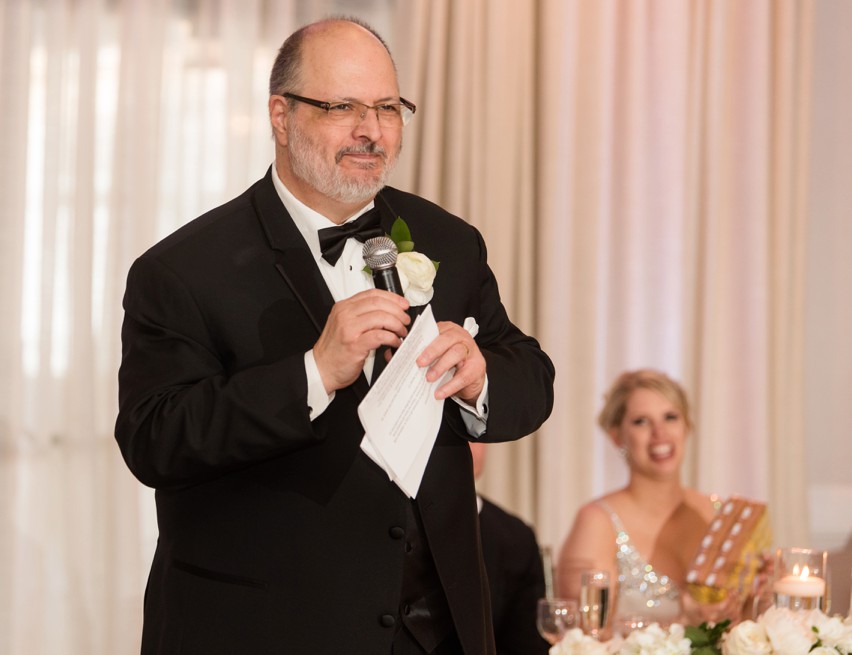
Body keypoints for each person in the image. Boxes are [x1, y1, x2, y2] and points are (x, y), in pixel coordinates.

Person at [114, 16, 555, 655]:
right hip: (265, 629)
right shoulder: (182, 271)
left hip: (438, 631)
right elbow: (156, 440)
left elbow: (531, 376)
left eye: (386, 107)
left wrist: (481, 375)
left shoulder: (449, 242)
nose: (370, 130)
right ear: (281, 115)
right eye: (341, 106)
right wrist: (313, 373)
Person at [555, 369, 727, 631]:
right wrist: (683, 623)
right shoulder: (596, 522)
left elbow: (738, 625)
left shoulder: (717, 513)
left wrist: (755, 593)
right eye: (641, 422)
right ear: (617, 436)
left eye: (670, 417)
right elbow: (581, 640)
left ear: (687, 427)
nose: (660, 433)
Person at [469, 443, 550, 655]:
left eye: (473, 431)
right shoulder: (390, 524)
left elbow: (527, 644)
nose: (465, 445)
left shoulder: (516, 537)